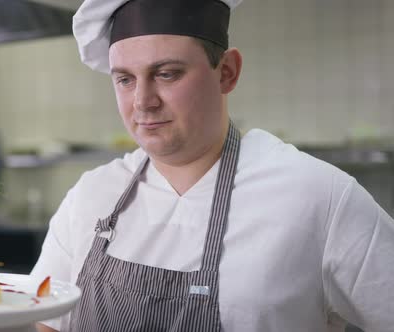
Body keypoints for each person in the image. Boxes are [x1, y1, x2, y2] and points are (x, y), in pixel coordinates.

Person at [31, 0, 394, 331]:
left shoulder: (318, 196)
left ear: (227, 73)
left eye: (167, 73)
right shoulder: (91, 195)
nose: (142, 101)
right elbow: (46, 322)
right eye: (125, 79)